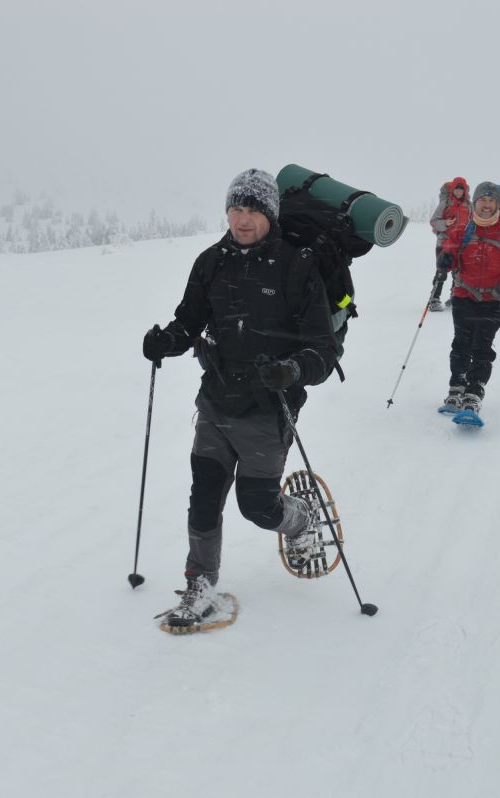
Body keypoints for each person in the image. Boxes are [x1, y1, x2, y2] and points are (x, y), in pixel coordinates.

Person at [141, 168, 339, 630]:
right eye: (235, 208)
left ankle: (300, 520)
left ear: (269, 212)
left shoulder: (298, 266)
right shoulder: (212, 261)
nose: (242, 219)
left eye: (252, 209)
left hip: (269, 409)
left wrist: (290, 370)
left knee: (258, 507)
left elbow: (323, 351)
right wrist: (167, 341)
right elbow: (189, 322)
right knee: (204, 495)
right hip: (215, 401)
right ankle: (201, 583)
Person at [436, 181, 500, 415]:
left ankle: (474, 394)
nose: (487, 205)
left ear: (497, 203)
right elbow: (451, 251)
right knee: (461, 344)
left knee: (483, 348)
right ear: (474, 202)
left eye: (491, 200)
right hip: (463, 297)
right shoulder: (462, 229)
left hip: (493, 301)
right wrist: (446, 259)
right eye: (482, 200)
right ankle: (456, 388)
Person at [427, 176, 471, 312]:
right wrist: (445, 223)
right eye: (457, 189)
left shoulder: (469, 206)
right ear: (452, 190)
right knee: (442, 270)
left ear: (465, 191)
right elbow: (434, 221)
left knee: (458, 273)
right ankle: (434, 299)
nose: (459, 192)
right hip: (444, 242)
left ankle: (454, 297)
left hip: (461, 244)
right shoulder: (445, 203)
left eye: (461, 189)